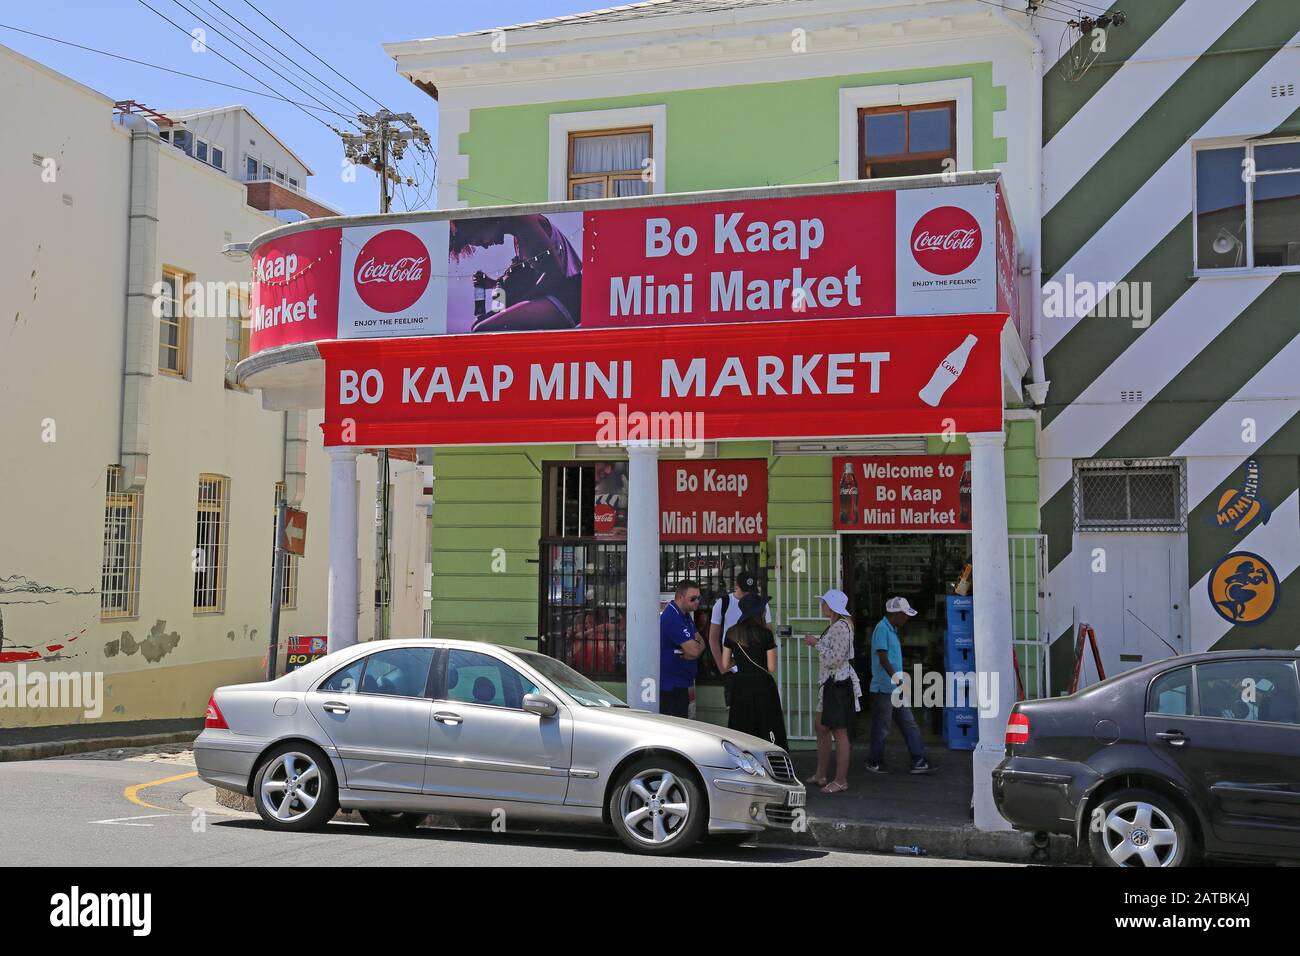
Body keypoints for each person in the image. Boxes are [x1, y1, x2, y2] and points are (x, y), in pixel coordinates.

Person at [448, 214, 583, 332]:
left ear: (481, 224)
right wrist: (494, 285)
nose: (485, 245)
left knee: (483, 329)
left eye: (480, 240)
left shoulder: (523, 222)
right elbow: (534, 275)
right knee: (480, 325)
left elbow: (555, 274)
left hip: (569, 298)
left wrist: (517, 304)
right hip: (562, 296)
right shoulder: (519, 234)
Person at [866, 597, 933, 774]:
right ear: (895, 614)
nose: (906, 618)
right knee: (884, 726)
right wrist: (897, 679)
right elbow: (882, 657)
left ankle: (918, 760)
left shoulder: (890, 629)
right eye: (904, 615)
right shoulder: (882, 629)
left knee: (906, 723)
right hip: (886, 687)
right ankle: (875, 761)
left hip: (893, 686)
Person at [804, 589, 861, 794]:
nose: (822, 606)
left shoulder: (839, 628)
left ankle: (840, 780)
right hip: (831, 684)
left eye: (824, 603)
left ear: (832, 606)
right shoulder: (838, 626)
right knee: (821, 726)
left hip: (837, 684)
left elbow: (836, 659)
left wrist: (816, 644)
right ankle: (821, 774)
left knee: (839, 731)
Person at [720, 592, 788, 750]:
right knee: (767, 726)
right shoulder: (766, 634)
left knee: (743, 727)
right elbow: (771, 667)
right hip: (763, 684)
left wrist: (740, 660)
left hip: (741, 684)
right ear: (759, 611)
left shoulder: (731, 633)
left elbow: (725, 664)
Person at [707, 569, 771, 710]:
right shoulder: (722, 603)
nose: (749, 594)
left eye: (751, 590)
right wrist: (723, 668)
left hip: (756, 669)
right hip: (733, 669)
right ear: (737, 586)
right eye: (745, 590)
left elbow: (768, 634)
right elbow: (713, 637)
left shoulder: (761, 604)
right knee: (736, 713)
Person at [659, 578, 706, 717]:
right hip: (671, 687)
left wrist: (695, 649)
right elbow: (696, 649)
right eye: (693, 598)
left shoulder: (685, 616)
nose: (697, 601)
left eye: (699, 598)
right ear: (680, 597)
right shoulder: (673, 618)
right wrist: (695, 649)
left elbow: (701, 643)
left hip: (682, 683)